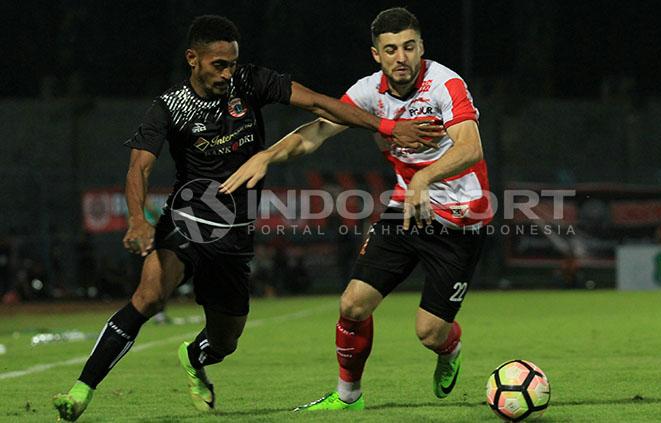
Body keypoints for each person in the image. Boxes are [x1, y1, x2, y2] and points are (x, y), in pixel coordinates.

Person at [52, 14, 441, 421]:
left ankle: (194, 356)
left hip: (235, 236)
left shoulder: (251, 82)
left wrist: (387, 126)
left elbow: (318, 103)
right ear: (193, 59)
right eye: (218, 64)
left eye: (232, 63)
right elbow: (139, 168)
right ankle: (81, 390)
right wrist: (137, 219)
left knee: (225, 341)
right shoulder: (168, 107)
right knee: (149, 296)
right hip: (188, 221)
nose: (227, 72)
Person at [221, 7, 492, 411]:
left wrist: (422, 179)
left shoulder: (445, 84)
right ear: (376, 55)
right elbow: (315, 131)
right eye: (390, 49)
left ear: (421, 48)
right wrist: (267, 155)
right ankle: (348, 396)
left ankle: (449, 351)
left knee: (429, 332)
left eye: (408, 47)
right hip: (405, 210)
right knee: (352, 304)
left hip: (460, 218)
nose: (400, 57)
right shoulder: (368, 92)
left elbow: (471, 148)